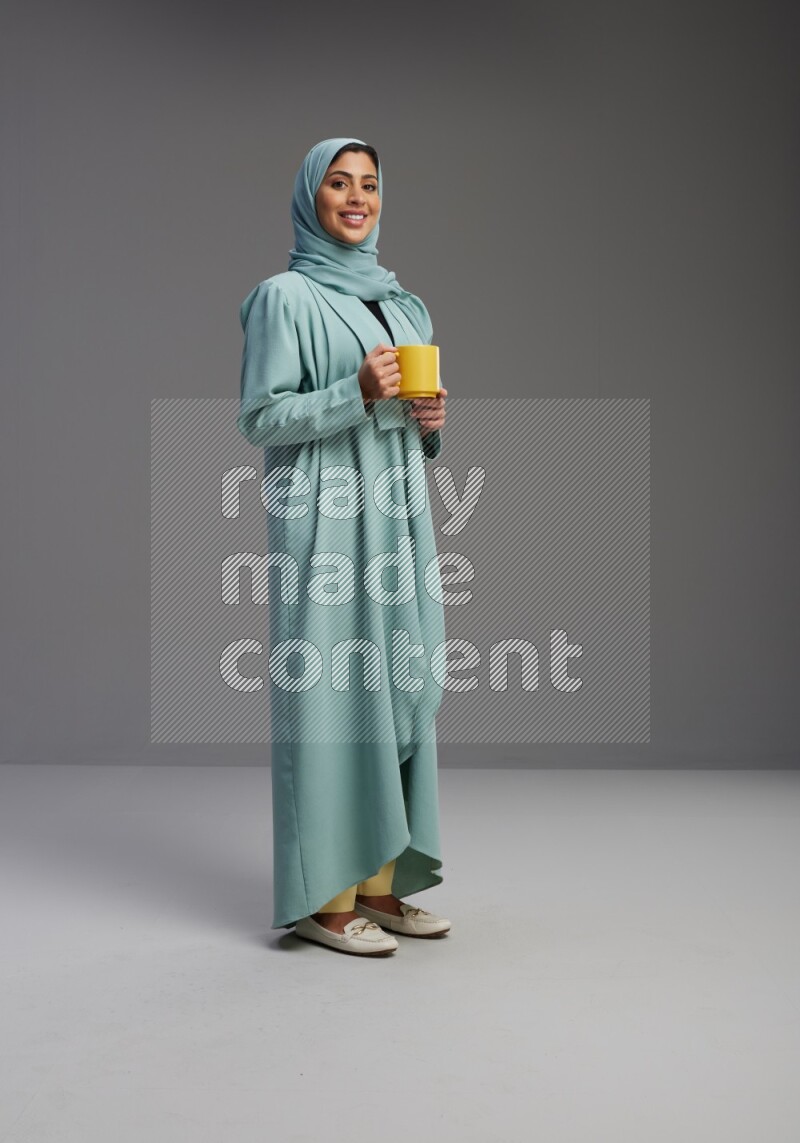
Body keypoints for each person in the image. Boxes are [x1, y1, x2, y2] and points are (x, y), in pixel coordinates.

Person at [237, 137, 450, 957]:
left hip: (397, 519)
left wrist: (430, 427)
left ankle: (380, 884)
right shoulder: (281, 297)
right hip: (324, 523)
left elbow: (410, 425)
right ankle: (322, 901)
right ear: (309, 196)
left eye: (369, 185)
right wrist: (354, 391)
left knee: (403, 679)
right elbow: (260, 418)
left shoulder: (408, 306)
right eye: (339, 183)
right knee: (330, 701)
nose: (356, 198)